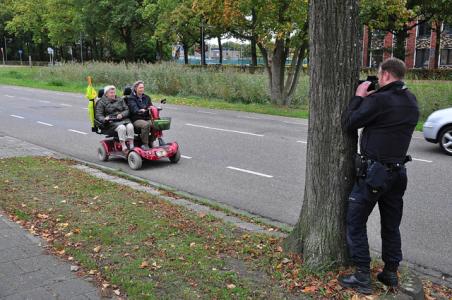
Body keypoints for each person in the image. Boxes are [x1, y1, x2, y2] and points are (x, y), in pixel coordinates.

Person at [340, 58, 419, 294]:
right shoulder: (411, 100)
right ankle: (390, 273)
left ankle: (362, 276)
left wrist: (359, 96)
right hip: (398, 173)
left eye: (378, 74)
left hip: (374, 174)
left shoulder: (380, 100)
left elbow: (349, 123)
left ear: (385, 74)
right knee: (391, 225)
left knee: (355, 221)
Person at [95, 85, 135, 152]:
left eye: (114, 92)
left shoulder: (120, 99)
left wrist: (122, 114)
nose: (113, 94)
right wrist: (105, 119)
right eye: (111, 93)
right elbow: (99, 115)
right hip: (110, 122)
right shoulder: (101, 102)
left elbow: (127, 110)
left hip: (123, 119)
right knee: (122, 128)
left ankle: (131, 144)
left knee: (130, 126)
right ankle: (123, 146)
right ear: (106, 94)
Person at [127, 80, 153, 150]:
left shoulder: (147, 97)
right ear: (135, 88)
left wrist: (152, 108)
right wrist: (139, 110)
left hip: (146, 118)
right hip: (136, 119)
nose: (142, 89)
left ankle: (151, 141)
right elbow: (133, 108)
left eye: (143, 87)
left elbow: (150, 106)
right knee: (146, 125)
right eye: (140, 88)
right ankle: (145, 144)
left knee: (156, 123)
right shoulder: (131, 98)